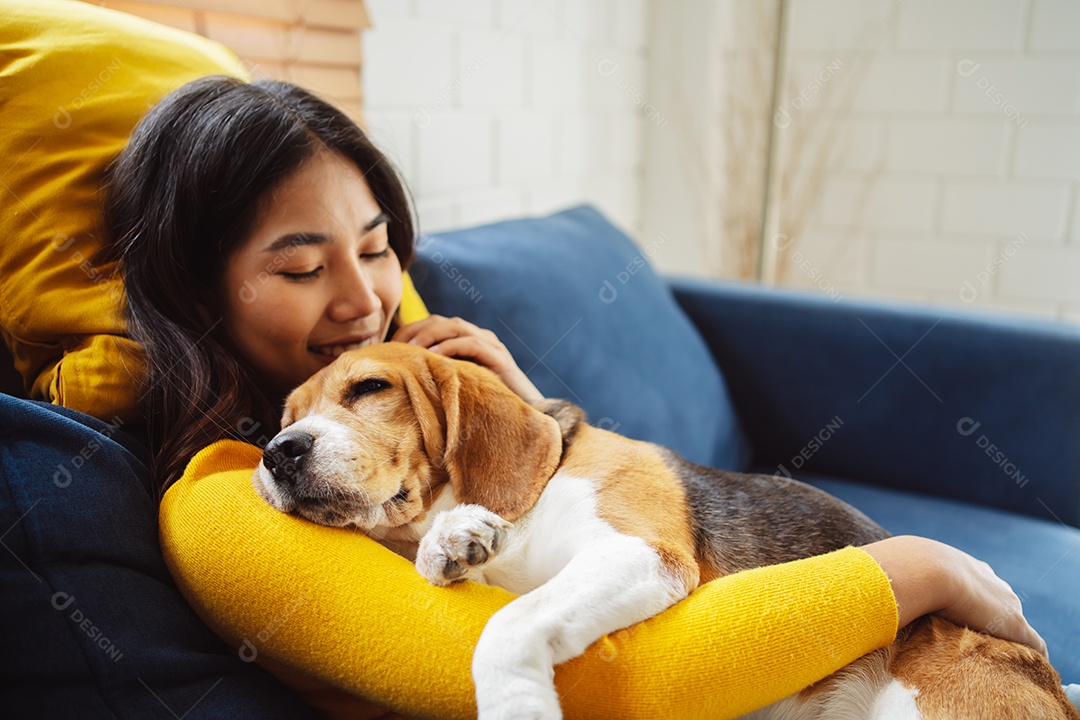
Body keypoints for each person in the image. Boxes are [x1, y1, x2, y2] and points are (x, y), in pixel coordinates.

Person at [103, 75, 1048, 716]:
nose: (363, 300)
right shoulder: (223, 504)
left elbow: (623, 537)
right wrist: (928, 568)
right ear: (197, 292)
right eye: (304, 265)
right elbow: (629, 679)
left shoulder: (445, 404)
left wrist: (516, 429)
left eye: (379, 247)